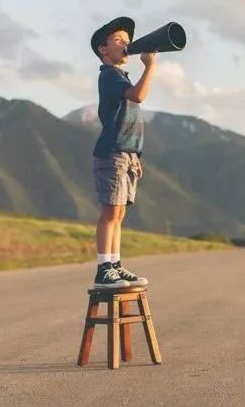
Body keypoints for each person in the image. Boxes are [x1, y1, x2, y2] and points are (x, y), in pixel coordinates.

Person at [89, 16, 155, 289]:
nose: (126, 45)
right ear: (103, 49)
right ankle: (104, 268)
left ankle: (114, 264)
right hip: (113, 153)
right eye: (119, 40)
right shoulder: (110, 76)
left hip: (126, 154)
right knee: (110, 212)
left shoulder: (120, 76)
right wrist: (150, 67)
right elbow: (139, 96)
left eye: (128, 41)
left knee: (119, 214)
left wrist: (135, 155)